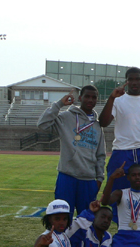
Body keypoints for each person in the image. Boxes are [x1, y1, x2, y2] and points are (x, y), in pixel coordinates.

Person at [99, 67, 140, 215]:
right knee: (117, 190)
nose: (134, 82)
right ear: (126, 82)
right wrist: (112, 98)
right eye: (131, 79)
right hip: (122, 151)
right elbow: (103, 122)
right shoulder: (118, 100)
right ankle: (122, 227)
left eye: (137, 79)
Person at [37, 85, 106, 217]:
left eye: (94, 97)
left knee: (86, 221)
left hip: (88, 179)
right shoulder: (66, 117)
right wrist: (59, 104)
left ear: (97, 100)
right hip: (67, 176)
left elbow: (101, 155)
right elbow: (42, 124)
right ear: (80, 98)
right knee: (62, 218)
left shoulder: (97, 126)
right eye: (87, 96)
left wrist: (99, 179)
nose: (90, 100)